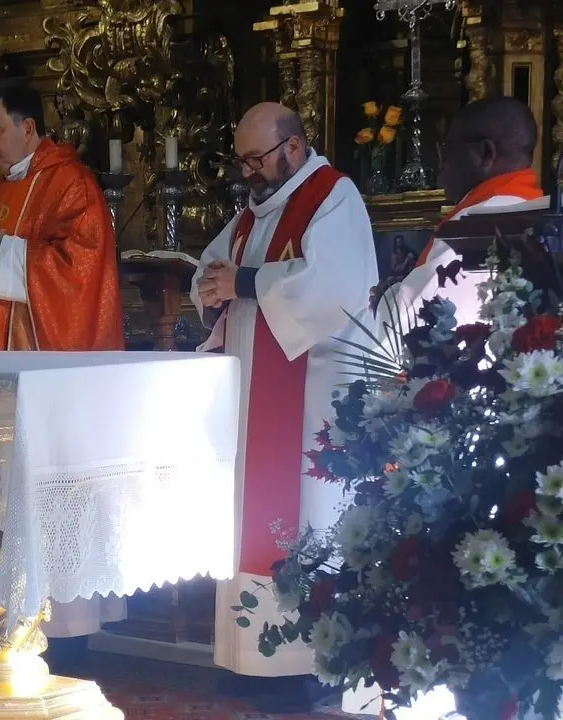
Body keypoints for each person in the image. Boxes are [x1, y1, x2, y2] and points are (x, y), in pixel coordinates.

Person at [0, 78, 125, 668]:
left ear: (29, 127)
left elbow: (81, 270)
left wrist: (0, 248)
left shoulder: (72, 185)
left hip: (42, 390)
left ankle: (62, 637)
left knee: (44, 497)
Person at [191, 102, 378, 712]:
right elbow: (214, 268)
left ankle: (310, 662)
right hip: (255, 392)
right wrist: (211, 288)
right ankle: (252, 659)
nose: (248, 172)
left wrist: (245, 284)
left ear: (294, 147)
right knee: (250, 515)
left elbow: (336, 287)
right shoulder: (254, 215)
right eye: (241, 161)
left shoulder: (333, 197)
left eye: (257, 159)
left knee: (310, 515)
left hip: (313, 397)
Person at [372, 96, 544, 326]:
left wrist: (383, 299)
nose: (440, 165)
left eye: (447, 150)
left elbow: (410, 324)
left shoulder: (476, 228)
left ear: (486, 153)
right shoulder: (537, 214)